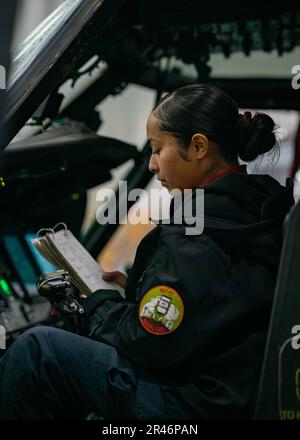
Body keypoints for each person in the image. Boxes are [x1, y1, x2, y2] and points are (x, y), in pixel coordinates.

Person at [0, 84, 295, 420]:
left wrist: (99, 303)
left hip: (193, 404)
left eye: (158, 150)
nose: (153, 165)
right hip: (231, 392)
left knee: (39, 350)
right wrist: (135, 289)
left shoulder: (197, 232)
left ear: (198, 146)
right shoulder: (255, 208)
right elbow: (208, 304)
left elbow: (152, 342)